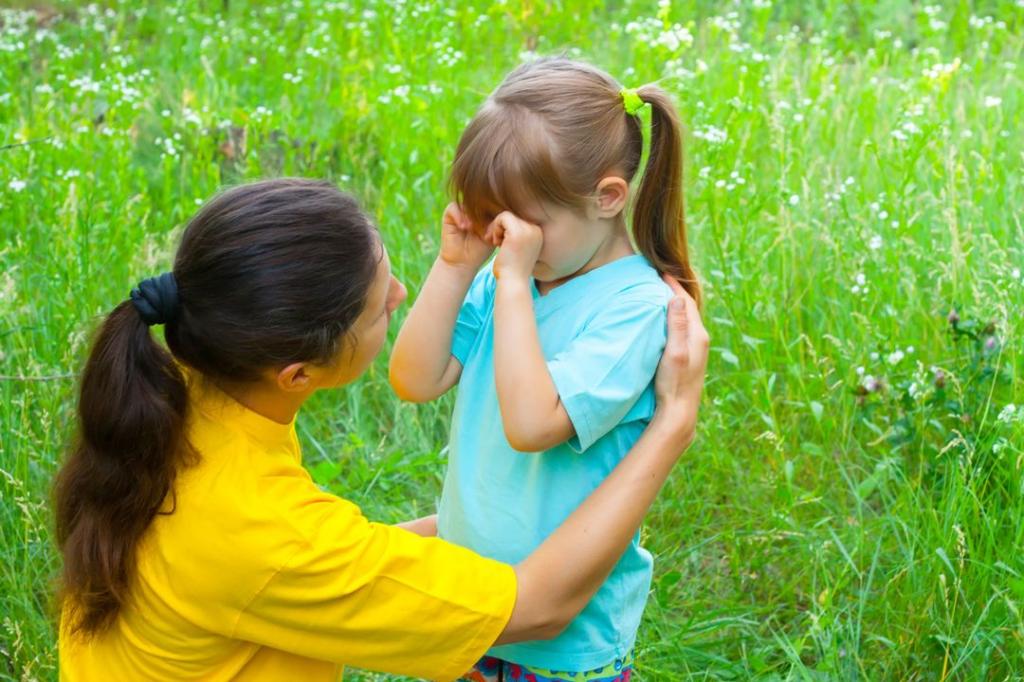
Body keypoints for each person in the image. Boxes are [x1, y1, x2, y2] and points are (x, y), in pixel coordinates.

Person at [54, 178, 707, 681]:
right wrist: (671, 426)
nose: (398, 293)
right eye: (376, 307)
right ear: (297, 374)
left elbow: (324, 562)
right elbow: (537, 607)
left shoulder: (187, 398)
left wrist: (481, 520)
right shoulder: (261, 530)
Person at [389, 57, 700, 680]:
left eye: (525, 227)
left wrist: (506, 282)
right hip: (477, 603)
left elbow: (533, 424)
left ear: (608, 198)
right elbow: (415, 381)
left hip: (562, 644)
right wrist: (455, 267)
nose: (509, 245)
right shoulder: (517, 278)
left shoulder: (637, 310)